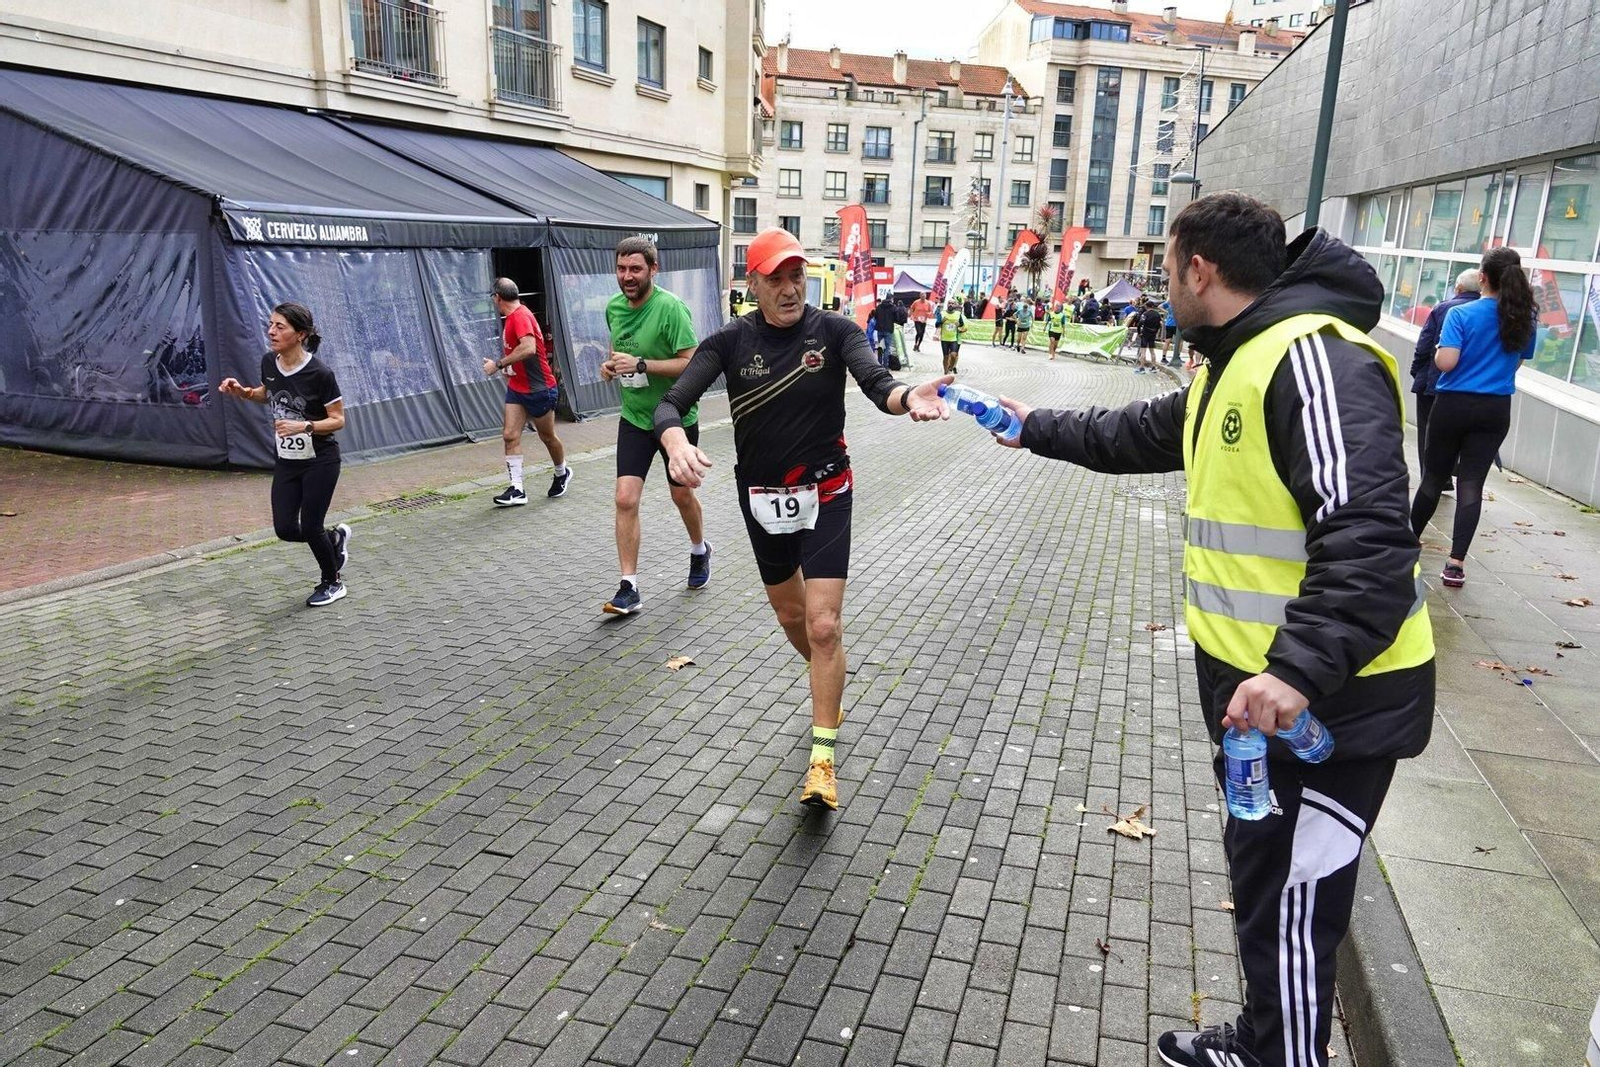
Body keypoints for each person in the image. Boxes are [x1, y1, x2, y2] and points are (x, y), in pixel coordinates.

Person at [994, 193, 1434, 1067]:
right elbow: (1129, 431)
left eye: (1166, 269)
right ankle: (1266, 1039)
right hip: (1259, 711)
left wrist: (1297, 672)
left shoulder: (1314, 361)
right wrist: (1021, 422)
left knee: (1300, 913)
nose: (1164, 286)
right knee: (1264, 890)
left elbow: (1370, 539)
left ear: (1199, 269)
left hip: (1329, 712)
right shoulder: (1230, 366)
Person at [654, 228, 951, 811]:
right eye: (776, 278)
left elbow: (877, 383)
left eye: (797, 276)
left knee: (822, 625)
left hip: (828, 490)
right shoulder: (728, 343)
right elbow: (671, 402)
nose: (790, 289)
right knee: (795, 620)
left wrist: (907, 396)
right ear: (752, 283)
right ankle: (830, 674)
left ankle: (822, 758)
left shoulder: (834, 331)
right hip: (760, 497)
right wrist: (673, 442)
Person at [1409, 247, 1537, 588]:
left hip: (1453, 405)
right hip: (1495, 409)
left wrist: (1439, 352)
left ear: (1482, 277)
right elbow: (1518, 362)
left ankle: (1406, 544)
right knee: (1471, 485)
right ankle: (1455, 564)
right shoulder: (1524, 318)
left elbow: (1446, 362)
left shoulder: (1461, 315)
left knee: (1433, 478)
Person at [597, 236, 711, 616]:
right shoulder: (613, 307)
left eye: (635, 269)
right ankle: (629, 586)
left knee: (681, 495)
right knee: (625, 498)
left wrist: (643, 364)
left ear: (653, 270)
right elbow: (617, 350)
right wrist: (610, 366)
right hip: (633, 417)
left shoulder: (671, 309)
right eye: (621, 269)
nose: (627, 277)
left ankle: (699, 549)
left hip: (675, 418)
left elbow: (693, 363)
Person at [218, 302, 352, 607]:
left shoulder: (320, 373)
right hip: (287, 461)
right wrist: (243, 392)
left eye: (280, 326)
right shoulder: (269, 362)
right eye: (270, 324)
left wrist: (304, 426)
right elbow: (268, 393)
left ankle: (332, 582)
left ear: (300, 334)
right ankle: (334, 541)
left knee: (311, 525)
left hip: (321, 459)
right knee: (285, 528)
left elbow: (338, 420)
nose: (271, 331)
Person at [484, 278, 569, 506]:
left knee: (547, 437)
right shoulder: (512, 317)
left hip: (539, 389)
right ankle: (517, 489)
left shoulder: (520, 316)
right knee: (510, 435)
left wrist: (499, 364)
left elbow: (529, 348)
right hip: (517, 389)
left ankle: (562, 472)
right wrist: (509, 369)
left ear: (497, 298)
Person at [1408, 269, 1480, 497]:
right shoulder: (1491, 312)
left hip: (1434, 382)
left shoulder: (1443, 309)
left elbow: (1425, 344)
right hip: (1471, 388)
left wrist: (1416, 371)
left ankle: (1433, 479)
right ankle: (1449, 473)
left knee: (1428, 432)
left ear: (1458, 288)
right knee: (1456, 432)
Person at [937, 298, 967, 375]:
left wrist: (958, 325)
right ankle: (945, 372)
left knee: (954, 355)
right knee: (946, 357)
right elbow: (937, 324)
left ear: (954, 305)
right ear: (947, 304)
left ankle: (950, 367)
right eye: (949, 303)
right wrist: (941, 321)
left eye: (952, 303)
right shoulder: (942, 313)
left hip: (954, 339)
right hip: (944, 339)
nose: (950, 304)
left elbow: (962, 324)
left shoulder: (958, 314)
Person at [1136, 298, 1163, 374]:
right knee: (1152, 351)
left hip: (1145, 333)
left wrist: (1139, 332)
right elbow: (1159, 324)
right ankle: (1154, 367)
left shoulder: (1145, 314)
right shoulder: (1157, 314)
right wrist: (1156, 331)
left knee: (1143, 351)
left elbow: (1140, 323)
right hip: (1153, 333)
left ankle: (1141, 367)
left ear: (1147, 307)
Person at [873, 297, 900, 369]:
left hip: (880, 329)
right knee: (887, 348)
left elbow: (875, 317)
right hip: (889, 330)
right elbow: (897, 319)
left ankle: (879, 364)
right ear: (891, 300)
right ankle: (885, 365)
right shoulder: (893, 308)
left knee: (880, 347)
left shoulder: (878, 307)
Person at [1161, 295, 1184, 365]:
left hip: (1169, 324)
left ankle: (1163, 357)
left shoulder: (1169, 302)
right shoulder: (1180, 304)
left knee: (1167, 341)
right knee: (1180, 341)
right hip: (1177, 325)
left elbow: (1159, 306)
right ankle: (1177, 356)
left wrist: (1166, 312)